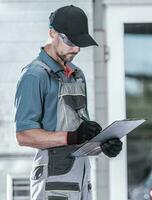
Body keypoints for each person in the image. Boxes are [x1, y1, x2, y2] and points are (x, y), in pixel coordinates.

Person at [14, 5, 122, 200]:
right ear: (52, 33)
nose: (77, 49)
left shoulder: (76, 75)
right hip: (53, 180)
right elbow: (24, 135)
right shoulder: (34, 75)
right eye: (71, 42)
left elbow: (78, 134)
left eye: (80, 43)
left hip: (81, 178)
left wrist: (101, 145)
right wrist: (72, 136)